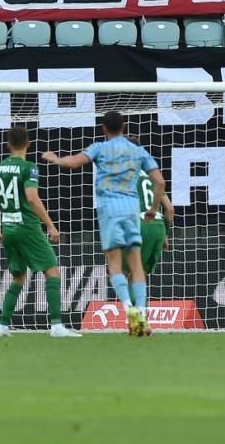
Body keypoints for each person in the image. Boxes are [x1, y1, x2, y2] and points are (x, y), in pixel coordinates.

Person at [43, 111, 164, 337]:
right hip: (131, 211)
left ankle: (130, 312)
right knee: (137, 267)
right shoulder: (138, 151)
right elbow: (160, 181)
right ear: (124, 126)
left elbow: (74, 163)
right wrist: (154, 209)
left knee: (115, 267)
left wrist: (55, 159)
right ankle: (142, 315)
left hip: (109, 210)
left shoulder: (99, 147)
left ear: (103, 128)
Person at [0, 127, 81, 338]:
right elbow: (31, 198)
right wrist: (51, 225)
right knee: (52, 272)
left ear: (8, 144)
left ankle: (2, 327)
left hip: (8, 229)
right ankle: (56, 326)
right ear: (28, 144)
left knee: (18, 277)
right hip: (27, 227)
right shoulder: (29, 168)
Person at [123, 136, 174, 336]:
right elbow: (170, 209)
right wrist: (165, 236)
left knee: (130, 275)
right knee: (141, 275)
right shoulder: (152, 175)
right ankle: (141, 321)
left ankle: (137, 323)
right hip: (158, 226)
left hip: (137, 223)